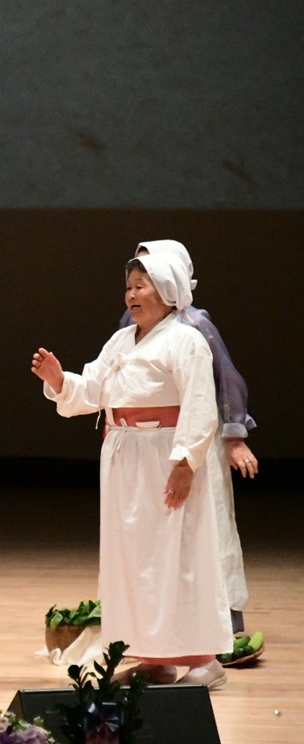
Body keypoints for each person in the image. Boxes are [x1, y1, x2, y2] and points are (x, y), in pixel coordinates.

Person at [32, 252, 232, 688]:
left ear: (167, 290)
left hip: (165, 454)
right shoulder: (121, 342)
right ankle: (154, 656)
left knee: (176, 555)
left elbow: (201, 404)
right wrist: (59, 380)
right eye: (129, 286)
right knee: (132, 560)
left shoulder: (185, 340)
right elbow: (93, 389)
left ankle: (203, 659)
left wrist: (185, 463)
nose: (132, 293)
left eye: (142, 284)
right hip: (124, 457)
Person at [122, 239, 257, 636]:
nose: (137, 288)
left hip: (196, 438)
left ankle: (226, 611)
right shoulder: (129, 327)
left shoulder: (195, 326)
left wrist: (234, 437)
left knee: (212, 522)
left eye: (148, 276)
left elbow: (225, 381)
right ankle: (168, 612)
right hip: (150, 446)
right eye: (135, 279)